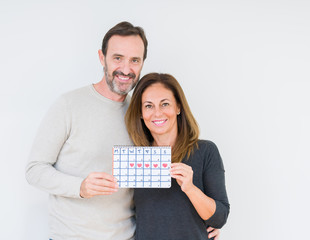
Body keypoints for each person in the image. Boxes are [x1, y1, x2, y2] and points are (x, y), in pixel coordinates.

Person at [25, 21, 220, 240]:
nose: (126, 69)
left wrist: (200, 219)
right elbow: (34, 170)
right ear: (102, 58)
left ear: (142, 63)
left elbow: (152, 189)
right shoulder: (68, 105)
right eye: (118, 58)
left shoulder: (143, 115)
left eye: (134, 60)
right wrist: (80, 187)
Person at [125, 72, 230, 239]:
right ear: (140, 113)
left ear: (178, 107)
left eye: (165, 104)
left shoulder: (205, 151)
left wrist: (190, 189)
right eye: (148, 106)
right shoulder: (135, 159)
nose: (157, 113)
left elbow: (219, 218)